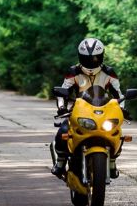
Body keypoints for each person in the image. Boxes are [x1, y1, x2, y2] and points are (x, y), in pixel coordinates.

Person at [51, 38, 130, 178]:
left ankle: (112, 162)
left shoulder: (109, 73)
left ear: (101, 56)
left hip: (104, 110)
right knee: (62, 131)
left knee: (116, 132)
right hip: (78, 111)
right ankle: (60, 162)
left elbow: (119, 94)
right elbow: (63, 92)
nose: (91, 62)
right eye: (87, 59)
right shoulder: (73, 72)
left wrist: (122, 109)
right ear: (80, 57)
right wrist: (62, 108)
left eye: (95, 58)